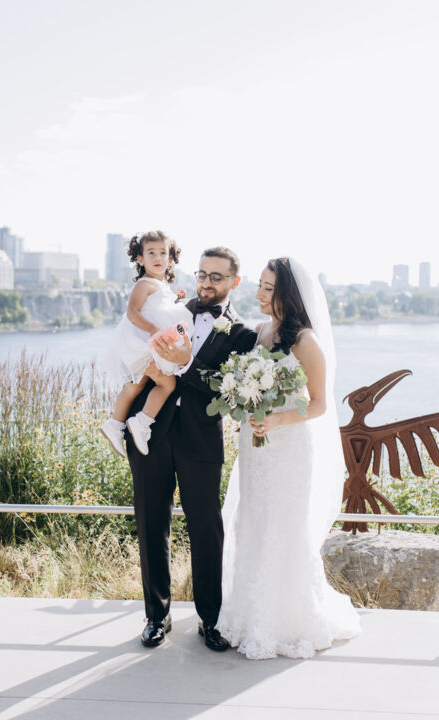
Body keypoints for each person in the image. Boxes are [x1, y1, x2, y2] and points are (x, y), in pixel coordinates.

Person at [216, 257, 361, 660]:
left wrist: (277, 418)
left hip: (290, 447)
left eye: (268, 288)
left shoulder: (306, 342)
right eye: (260, 286)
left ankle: (288, 621)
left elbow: (318, 404)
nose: (259, 294)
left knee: (283, 524)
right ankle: (249, 614)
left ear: (287, 294)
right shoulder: (261, 332)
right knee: (253, 520)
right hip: (255, 445)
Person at [126, 247, 257, 650]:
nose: (206, 282)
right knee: (151, 522)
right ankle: (156, 616)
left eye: (216, 276)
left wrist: (186, 364)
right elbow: (135, 348)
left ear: (234, 282)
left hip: (201, 437)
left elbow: (227, 392)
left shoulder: (243, 334)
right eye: (202, 274)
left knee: (206, 528)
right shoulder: (171, 309)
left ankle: (211, 619)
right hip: (152, 430)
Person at [100, 231, 192, 457]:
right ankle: (142, 421)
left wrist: (174, 298)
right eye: (151, 253)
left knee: (135, 384)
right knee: (167, 384)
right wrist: (152, 330)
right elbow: (133, 312)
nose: (158, 257)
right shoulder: (144, 284)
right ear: (140, 259)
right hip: (142, 343)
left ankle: (115, 424)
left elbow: (158, 307)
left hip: (143, 344)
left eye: (163, 253)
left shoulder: (159, 285)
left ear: (171, 259)